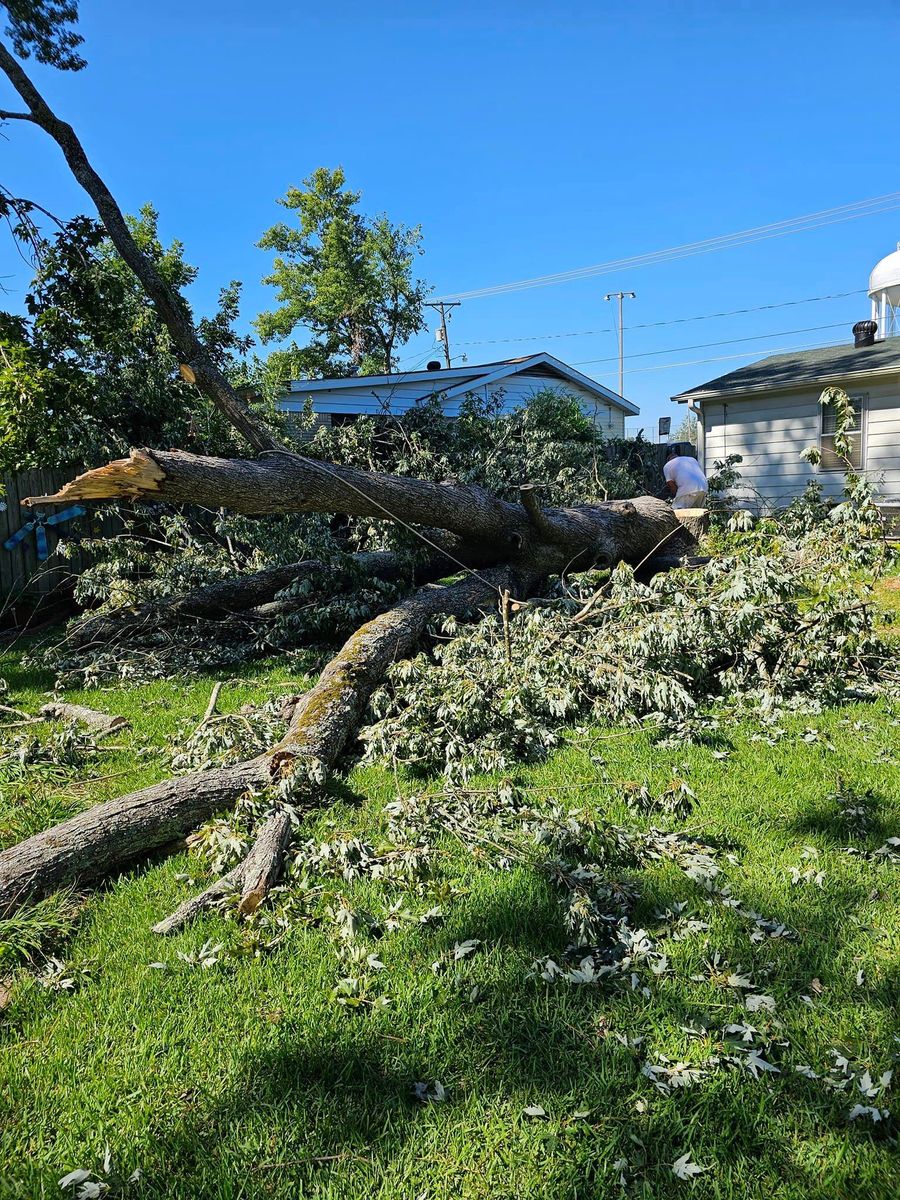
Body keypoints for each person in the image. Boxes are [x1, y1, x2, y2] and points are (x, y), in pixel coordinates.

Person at [663, 445, 708, 509]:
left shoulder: (667, 466)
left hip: (688, 489)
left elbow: (671, 485)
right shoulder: (692, 459)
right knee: (696, 513)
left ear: (668, 460)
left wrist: (676, 495)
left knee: (676, 512)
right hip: (704, 488)